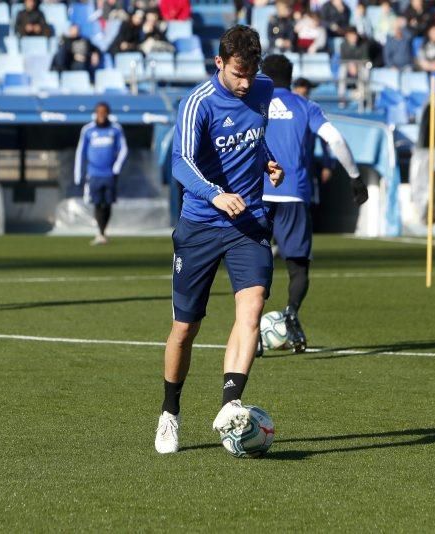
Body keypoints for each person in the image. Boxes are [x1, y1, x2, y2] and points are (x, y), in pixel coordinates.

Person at [154, 26, 285, 454]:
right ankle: (169, 413)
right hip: (200, 226)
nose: (246, 83)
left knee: (252, 309)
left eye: (252, 73)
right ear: (220, 63)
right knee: (185, 327)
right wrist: (214, 193)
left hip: (249, 222)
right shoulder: (198, 103)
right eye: (238, 74)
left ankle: (231, 405)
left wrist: (268, 162)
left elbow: (255, 138)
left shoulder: (263, 89)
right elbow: (181, 161)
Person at [261, 54, 367, 353]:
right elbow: (334, 139)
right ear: (291, 77)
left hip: (258, 194)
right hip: (294, 192)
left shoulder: (253, 104)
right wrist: (355, 177)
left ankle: (250, 327)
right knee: (298, 268)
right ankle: (291, 311)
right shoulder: (306, 106)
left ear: (264, 77)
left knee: (253, 264)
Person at [74, 102, 127, 245]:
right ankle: (100, 233)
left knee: (108, 203)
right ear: (96, 113)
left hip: (109, 174)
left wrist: (116, 168)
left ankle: (103, 231)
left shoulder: (115, 129)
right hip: (94, 173)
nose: (102, 115)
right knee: (97, 203)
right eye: (99, 112)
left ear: (108, 113)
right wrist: (78, 174)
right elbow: (81, 152)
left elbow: (123, 149)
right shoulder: (88, 130)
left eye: (104, 112)